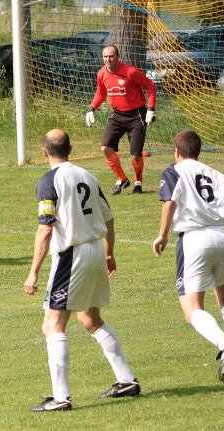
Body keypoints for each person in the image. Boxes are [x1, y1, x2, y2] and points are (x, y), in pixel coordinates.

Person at [24, 129, 140, 412]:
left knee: (52, 324)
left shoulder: (49, 180)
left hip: (71, 255)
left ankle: (60, 397)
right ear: (71, 149)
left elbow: (45, 228)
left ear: (44, 152)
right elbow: (108, 217)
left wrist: (33, 272)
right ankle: (126, 379)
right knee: (89, 318)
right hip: (94, 252)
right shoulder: (88, 175)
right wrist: (108, 252)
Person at [152, 129, 224, 381]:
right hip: (223, 236)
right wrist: (222, 220)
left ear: (177, 151)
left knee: (192, 308)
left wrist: (162, 234)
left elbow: (169, 201)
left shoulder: (174, 170)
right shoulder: (219, 176)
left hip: (194, 239)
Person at [86, 45, 157, 195]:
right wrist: (91, 108)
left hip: (136, 115)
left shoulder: (131, 72)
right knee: (105, 148)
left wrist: (150, 109)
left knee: (136, 155)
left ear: (118, 57)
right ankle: (122, 178)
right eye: (105, 57)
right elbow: (100, 92)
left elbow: (150, 86)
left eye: (111, 56)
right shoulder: (101, 74)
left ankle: (138, 182)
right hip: (117, 115)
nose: (108, 59)